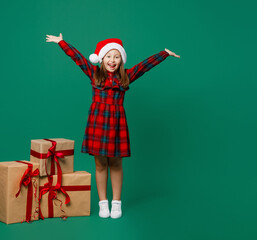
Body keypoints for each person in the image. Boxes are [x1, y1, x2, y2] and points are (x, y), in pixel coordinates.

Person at [46, 33, 180, 219]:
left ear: (121, 60)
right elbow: (77, 58)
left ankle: (116, 203)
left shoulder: (125, 77)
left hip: (117, 124)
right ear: (101, 58)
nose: (112, 60)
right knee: (100, 164)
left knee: (116, 164)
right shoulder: (94, 74)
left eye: (117, 57)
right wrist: (61, 42)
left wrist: (164, 54)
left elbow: (143, 66)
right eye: (109, 56)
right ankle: (103, 203)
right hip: (98, 123)